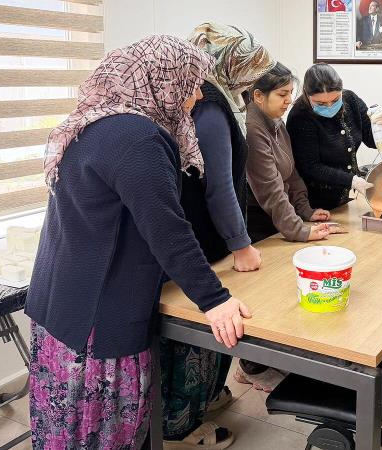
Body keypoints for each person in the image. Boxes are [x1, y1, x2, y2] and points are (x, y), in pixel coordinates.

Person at [25, 35, 251, 450]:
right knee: (103, 435)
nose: (197, 94)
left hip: (62, 310)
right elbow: (167, 229)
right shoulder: (137, 138)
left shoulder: (93, 122)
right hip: (95, 325)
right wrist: (215, 300)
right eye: (192, 81)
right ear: (162, 80)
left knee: (62, 434)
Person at [159, 23, 275, 449]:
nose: (254, 82)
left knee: (213, 334)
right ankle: (182, 427)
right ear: (233, 67)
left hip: (198, 237)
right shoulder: (209, 107)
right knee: (201, 332)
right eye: (251, 72)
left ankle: (205, 400)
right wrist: (241, 245)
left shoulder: (213, 98)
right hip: (201, 239)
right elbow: (219, 185)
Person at [246, 63, 333, 243]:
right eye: (282, 94)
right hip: (258, 224)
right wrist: (299, 230)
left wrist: (305, 210)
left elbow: (290, 173)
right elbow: (270, 189)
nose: (289, 100)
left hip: (281, 219)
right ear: (258, 96)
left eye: (290, 93)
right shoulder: (252, 130)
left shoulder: (276, 120)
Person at [287, 63, 382, 210]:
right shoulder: (300, 117)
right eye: (320, 103)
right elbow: (310, 167)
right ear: (307, 94)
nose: (329, 106)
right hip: (314, 204)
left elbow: (373, 142)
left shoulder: (351, 100)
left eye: (335, 100)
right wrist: (352, 181)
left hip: (341, 200)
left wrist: (381, 126)